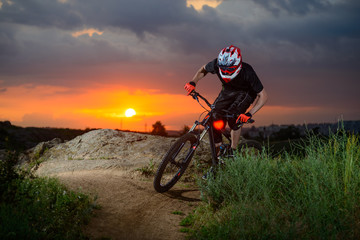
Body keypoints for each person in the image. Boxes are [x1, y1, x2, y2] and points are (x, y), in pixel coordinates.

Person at [184, 45, 267, 155]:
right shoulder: (216, 63)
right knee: (213, 116)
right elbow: (202, 70)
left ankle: (233, 150)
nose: (225, 72)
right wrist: (193, 82)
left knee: (235, 119)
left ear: (238, 65)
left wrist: (249, 114)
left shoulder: (248, 71)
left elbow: (263, 96)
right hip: (228, 90)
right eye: (223, 69)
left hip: (245, 93)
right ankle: (218, 148)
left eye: (229, 69)